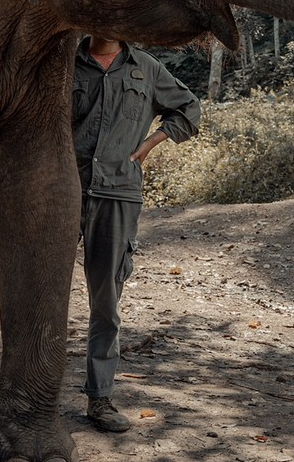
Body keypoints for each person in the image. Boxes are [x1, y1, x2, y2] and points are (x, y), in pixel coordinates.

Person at [72, 31, 202, 431]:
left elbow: (188, 109)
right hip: (61, 189)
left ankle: (101, 399)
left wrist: (150, 143)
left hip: (119, 193)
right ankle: (29, 395)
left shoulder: (146, 68)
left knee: (106, 301)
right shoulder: (65, 62)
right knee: (42, 293)